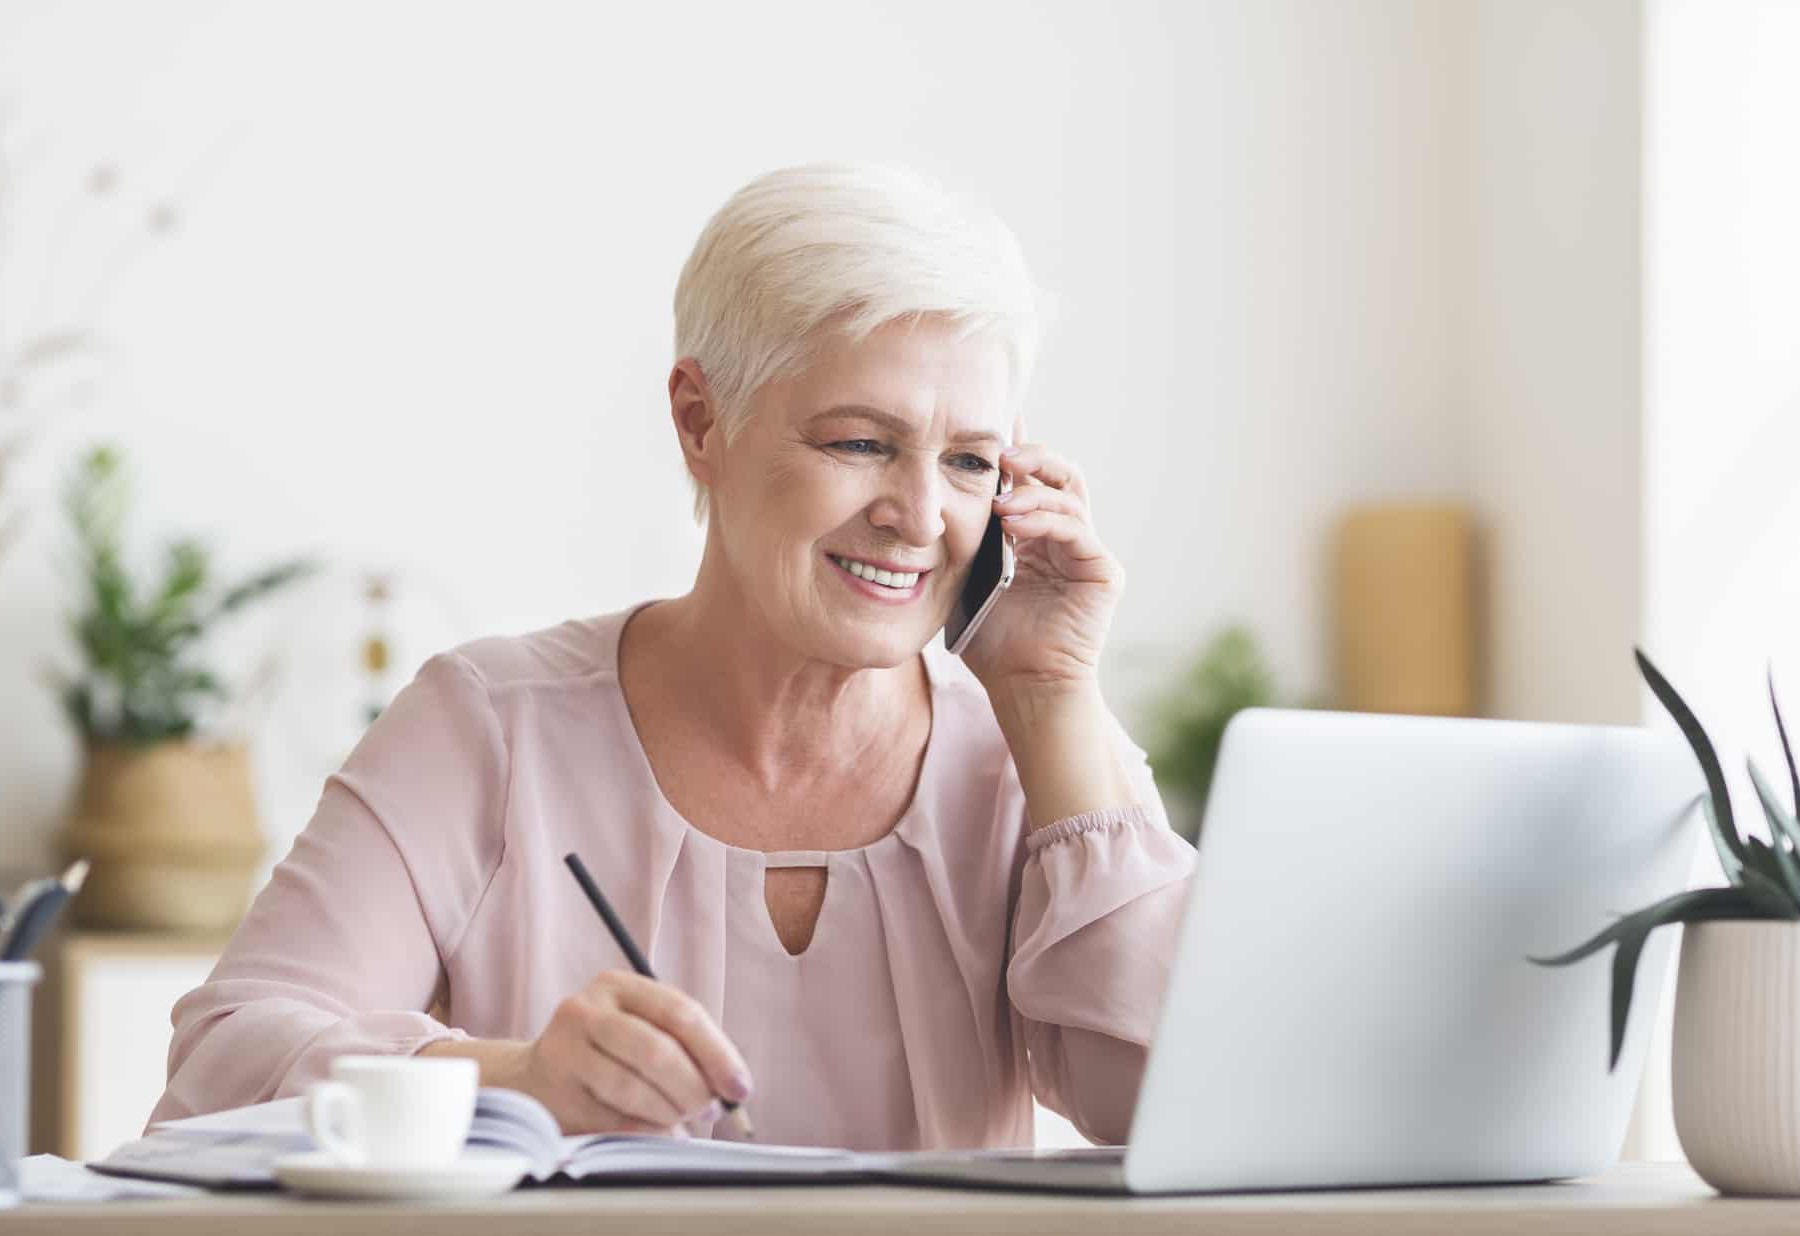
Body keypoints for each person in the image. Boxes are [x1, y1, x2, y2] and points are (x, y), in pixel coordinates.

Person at [150, 162, 1198, 1150]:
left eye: (968, 460)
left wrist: (1050, 696)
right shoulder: (488, 727)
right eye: (858, 443)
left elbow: (1163, 1104)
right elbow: (218, 1073)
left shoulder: (1035, 756)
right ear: (701, 421)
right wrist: (511, 1082)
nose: (918, 515)